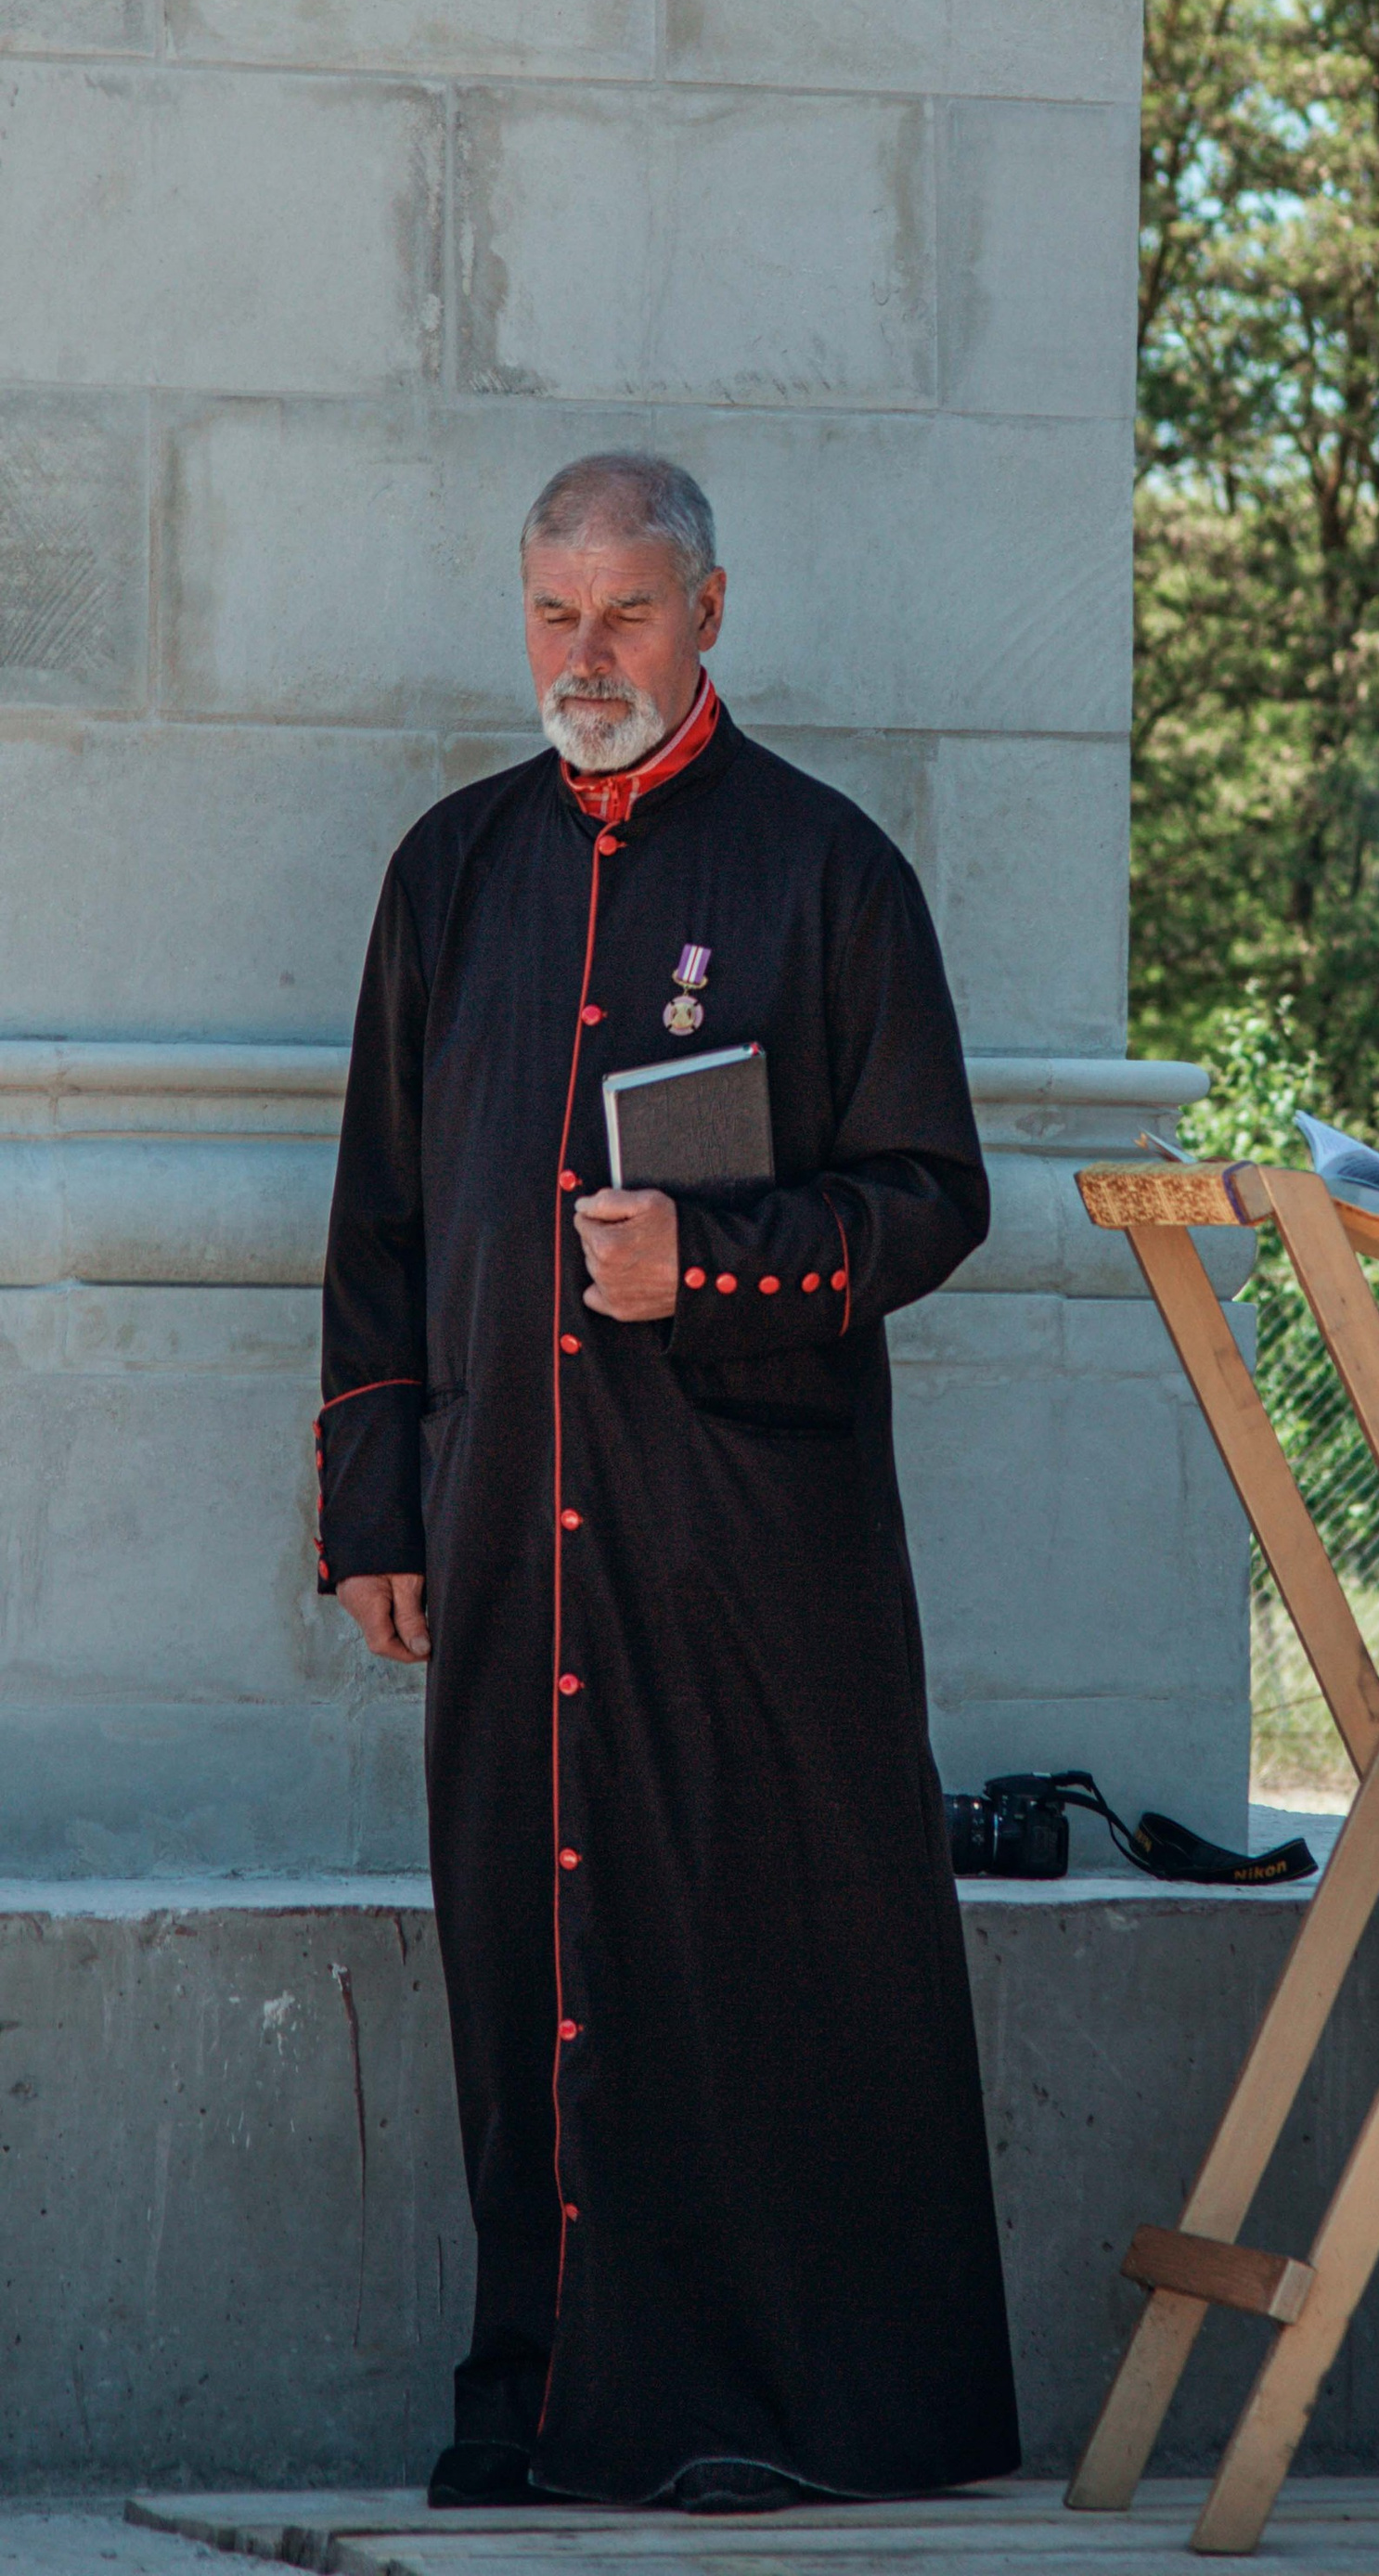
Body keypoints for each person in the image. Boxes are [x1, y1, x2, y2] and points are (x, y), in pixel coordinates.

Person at [316, 452, 1018, 2515]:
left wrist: (706, 1266)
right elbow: (372, 1212)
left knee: (744, 1956)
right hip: (498, 1526)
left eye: (625, 612)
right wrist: (374, 1500)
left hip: (746, 1535)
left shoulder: (825, 871)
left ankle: (775, 2414)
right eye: (552, 612)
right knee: (526, 1955)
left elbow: (932, 1196)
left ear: (710, 611)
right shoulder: (449, 869)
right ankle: (534, 2398)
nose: (583, 657)